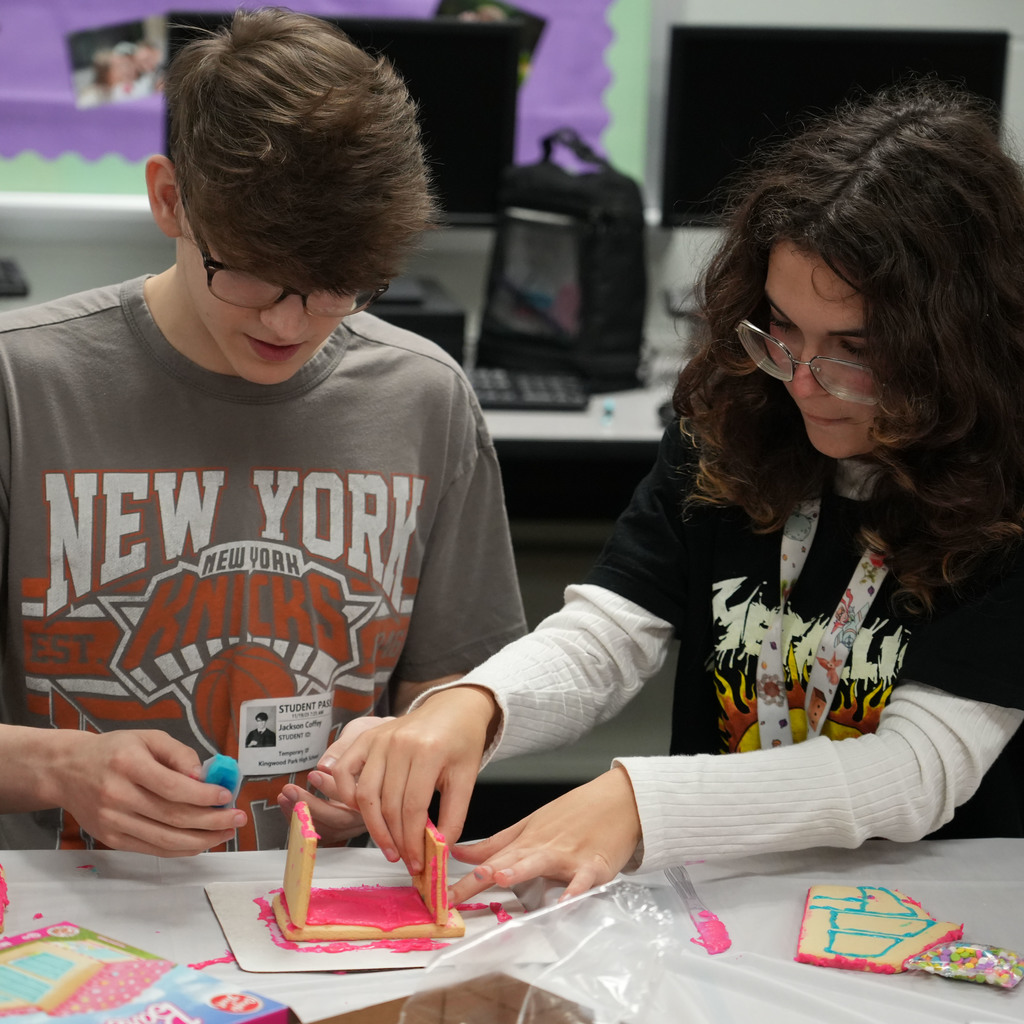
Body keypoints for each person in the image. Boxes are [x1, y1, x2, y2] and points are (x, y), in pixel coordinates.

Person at [317, 80, 1024, 899]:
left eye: (854, 349)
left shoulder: (1003, 493)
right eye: (782, 330)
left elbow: (919, 768)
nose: (804, 380)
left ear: (956, 342)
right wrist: (476, 706)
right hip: (732, 897)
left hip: (935, 914)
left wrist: (638, 804)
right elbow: (611, 632)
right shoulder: (739, 413)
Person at [0, 8, 524, 856]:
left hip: (318, 910)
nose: (292, 321)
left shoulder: (424, 397)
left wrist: (403, 767)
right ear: (170, 200)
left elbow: (458, 691)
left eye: (337, 287)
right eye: (253, 275)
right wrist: (61, 768)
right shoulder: (23, 385)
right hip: (69, 915)